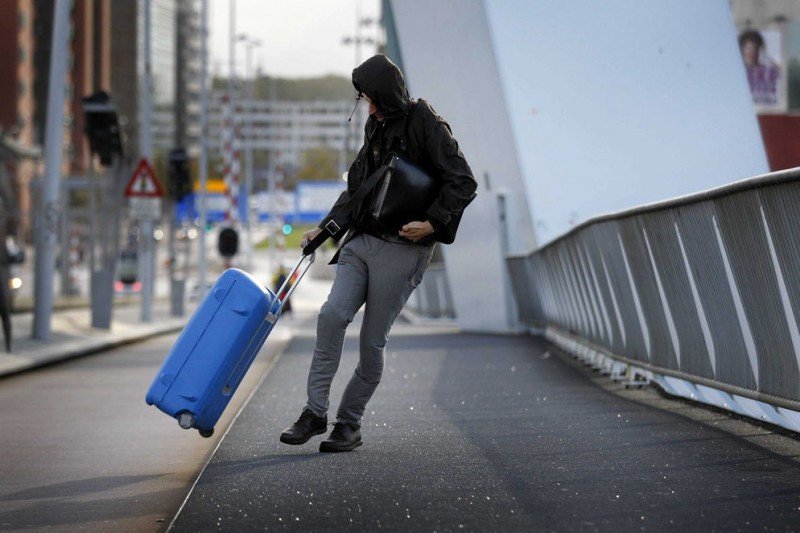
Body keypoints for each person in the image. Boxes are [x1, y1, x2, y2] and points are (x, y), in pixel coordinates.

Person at [280, 54, 477, 452]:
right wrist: (325, 227)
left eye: (372, 99)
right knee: (331, 315)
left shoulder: (425, 122)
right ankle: (314, 412)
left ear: (387, 96)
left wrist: (433, 223)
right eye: (364, 101)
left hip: (404, 249)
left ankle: (348, 424)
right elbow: (358, 187)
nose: (368, 108)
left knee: (371, 343)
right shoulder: (375, 124)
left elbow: (463, 181)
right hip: (362, 241)